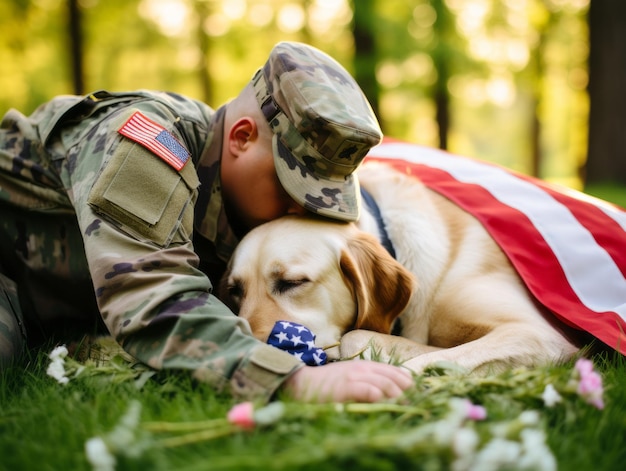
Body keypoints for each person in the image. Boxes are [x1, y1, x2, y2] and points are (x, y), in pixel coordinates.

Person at [0, 41, 412, 403]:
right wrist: (292, 380)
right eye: (292, 188)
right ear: (241, 138)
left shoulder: (248, 202)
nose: (303, 212)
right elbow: (152, 293)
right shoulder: (149, 144)